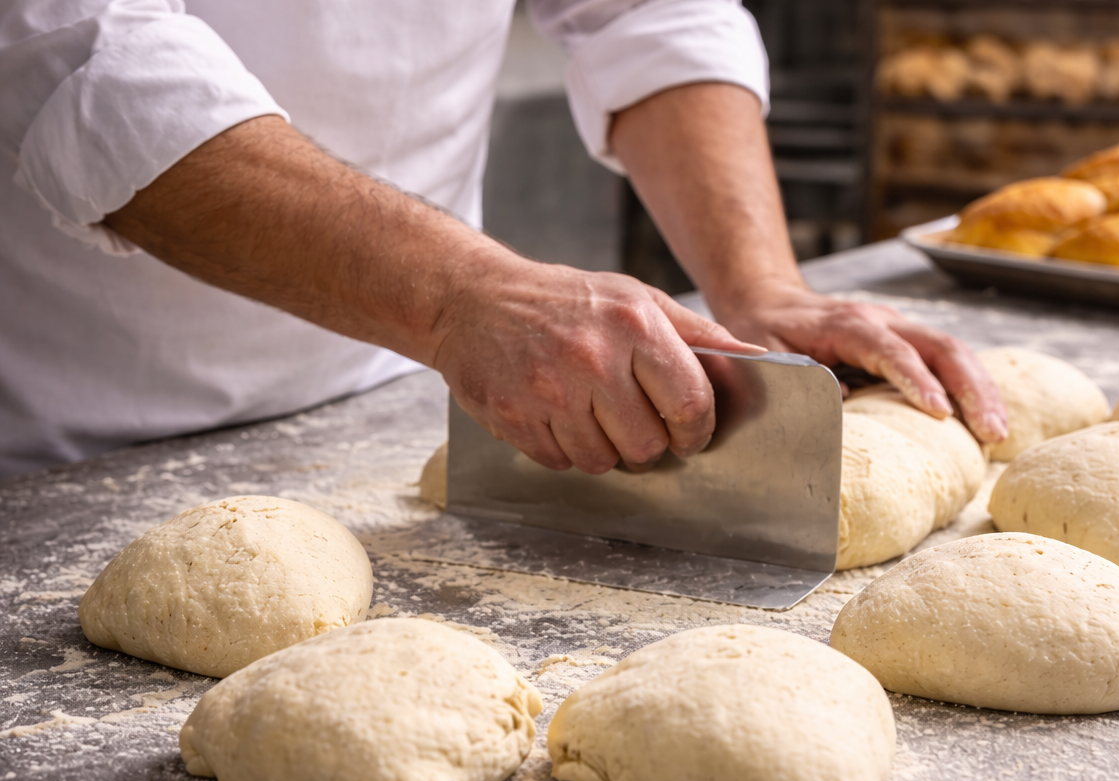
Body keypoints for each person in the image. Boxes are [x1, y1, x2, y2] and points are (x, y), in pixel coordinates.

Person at [0, 0, 1006, 481]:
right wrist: (459, 297)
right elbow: (88, 69)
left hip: (407, 412)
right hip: (71, 447)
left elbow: (644, 13)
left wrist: (762, 284)